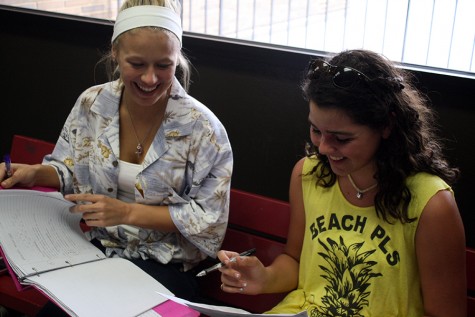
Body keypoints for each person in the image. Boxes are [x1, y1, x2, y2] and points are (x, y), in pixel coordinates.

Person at [0, 0, 233, 309]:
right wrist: (34, 172)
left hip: (167, 269)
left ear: (177, 59)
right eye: (137, 64)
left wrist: (126, 213)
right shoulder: (92, 104)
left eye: (164, 65)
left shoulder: (203, 130)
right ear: (116, 54)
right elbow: (70, 169)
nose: (150, 79)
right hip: (94, 251)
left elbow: (207, 222)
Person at [217, 49, 466, 316]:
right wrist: (264, 278)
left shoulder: (431, 203)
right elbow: (295, 260)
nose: (323, 148)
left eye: (341, 138)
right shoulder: (308, 174)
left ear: (386, 126)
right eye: (316, 130)